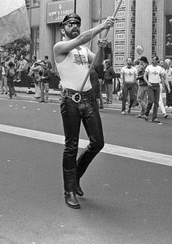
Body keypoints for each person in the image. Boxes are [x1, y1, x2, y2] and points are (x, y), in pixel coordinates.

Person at [53, 13, 114, 209]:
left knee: (98, 142)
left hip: (88, 98)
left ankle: (76, 175)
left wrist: (102, 49)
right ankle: (69, 189)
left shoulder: (83, 49)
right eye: (71, 24)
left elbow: (97, 66)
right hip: (70, 99)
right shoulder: (59, 47)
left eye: (78, 24)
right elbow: (81, 38)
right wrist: (101, 26)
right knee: (71, 146)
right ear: (63, 29)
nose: (75, 26)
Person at [143, 56, 168, 123]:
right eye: (152, 60)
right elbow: (144, 76)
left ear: (157, 61)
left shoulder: (160, 68)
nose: (152, 61)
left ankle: (154, 117)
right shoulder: (149, 67)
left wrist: (163, 85)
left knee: (156, 103)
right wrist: (147, 82)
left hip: (157, 85)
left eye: (154, 60)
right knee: (151, 101)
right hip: (150, 85)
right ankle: (146, 113)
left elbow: (163, 77)